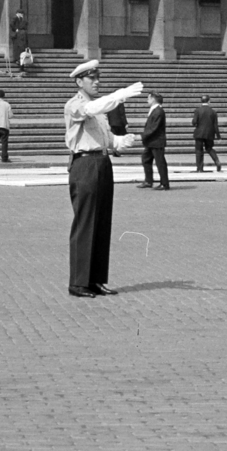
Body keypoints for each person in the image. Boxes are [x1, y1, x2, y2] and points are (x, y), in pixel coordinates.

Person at [64, 59, 140, 297]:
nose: (96, 82)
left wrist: (121, 142)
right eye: (91, 79)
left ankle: (96, 279)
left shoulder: (100, 110)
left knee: (101, 222)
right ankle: (78, 282)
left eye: (98, 78)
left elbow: (106, 139)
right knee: (86, 223)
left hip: (102, 161)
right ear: (79, 81)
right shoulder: (74, 104)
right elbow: (90, 110)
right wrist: (119, 96)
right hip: (85, 164)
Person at [139, 89, 169, 189]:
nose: (147, 100)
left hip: (157, 141)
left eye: (148, 98)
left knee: (160, 162)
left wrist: (142, 135)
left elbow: (154, 127)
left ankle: (164, 183)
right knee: (145, 159)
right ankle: (148, 180)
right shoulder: (155, 110)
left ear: (153, 99)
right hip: (152, 141)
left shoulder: (158, 111)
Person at [192, 93, 222, 172]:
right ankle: (217, 161)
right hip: (209, 133)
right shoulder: (213, 112)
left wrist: (195, 123)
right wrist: (218, 136)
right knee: (209, 148)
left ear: (201, 101)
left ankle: (199, 168)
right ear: (209, 101)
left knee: (199, 150)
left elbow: (194, 122)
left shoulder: (197, 110)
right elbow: (215, 125)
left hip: (199, 133)